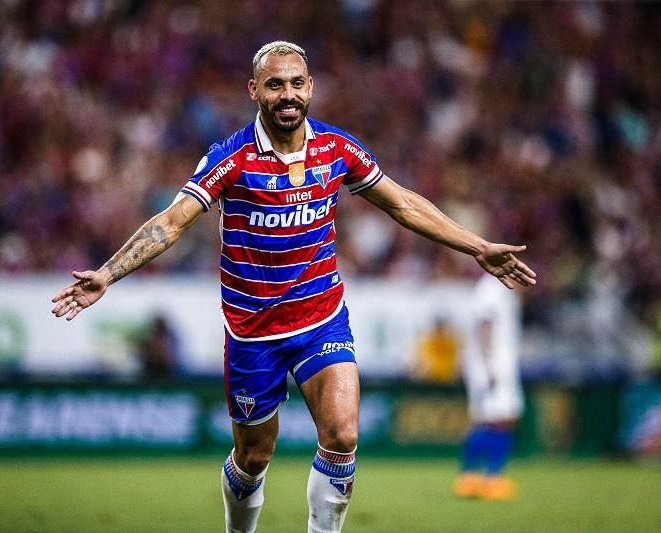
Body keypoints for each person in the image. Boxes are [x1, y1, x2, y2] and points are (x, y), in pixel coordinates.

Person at [51, 41, 536, 533]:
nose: (288, 94)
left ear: (311, 87)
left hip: (321, 320)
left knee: (342, 435)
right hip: (253, 332)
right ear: (254, 90)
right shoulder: (230, 157)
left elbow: (402, 203)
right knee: (253, 457)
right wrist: (108, 273)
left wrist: (476, 246)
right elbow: (173, 221)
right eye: (275, 84)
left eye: (297, 83)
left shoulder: (337, 148)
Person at [454, 275, 525, 501]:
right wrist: (488, 363)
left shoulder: (496, 287)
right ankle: (491, 479)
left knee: (488, 418)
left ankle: (470, 478)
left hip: (494, 362)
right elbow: (484, 324)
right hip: (492, 363)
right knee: (501, 418)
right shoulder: (491, 288)